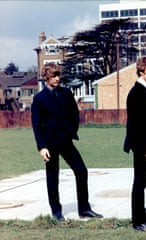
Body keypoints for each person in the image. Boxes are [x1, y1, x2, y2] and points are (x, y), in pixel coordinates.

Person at [31, 63, 103, 221]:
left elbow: (74, 114)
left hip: (66, 140)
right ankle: (56, 211)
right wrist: (42, 147)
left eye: (58, 75)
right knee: (53, 176)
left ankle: (84, 209)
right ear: (46, 77)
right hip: (49, 144)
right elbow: (36, 125)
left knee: (81, 170)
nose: (57, 78)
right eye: (53, 76)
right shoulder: (39, 99)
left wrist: (71, 131)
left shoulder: (66, 93)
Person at [123, 56, 146, 232]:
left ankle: (139, 219)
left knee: (142, 182)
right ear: (141, 71)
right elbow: (138, 126)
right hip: (141, 146)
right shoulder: (138, 93)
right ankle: (139, 221)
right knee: (140, 183)